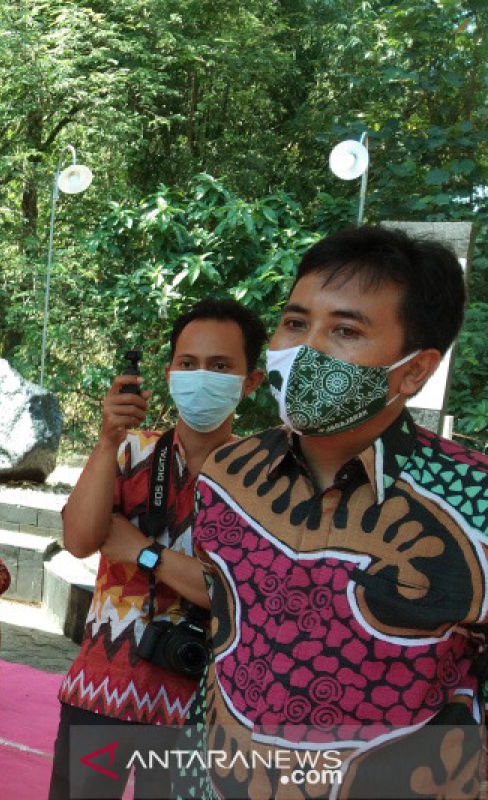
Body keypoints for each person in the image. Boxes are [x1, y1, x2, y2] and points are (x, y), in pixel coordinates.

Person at [191, 226, 485, 798]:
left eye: (345, 330)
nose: (306, 350)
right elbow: (221, 652)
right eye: (296, 323)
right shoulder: (225, 476)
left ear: (415, 370)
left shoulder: (473, 502)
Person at [49, 299, 265, 799]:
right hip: (102, 685)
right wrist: (106, 440)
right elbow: (79, 539)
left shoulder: (261, 478)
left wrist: (143, 552)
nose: (200, 377)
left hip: (198, 703)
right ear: (169, 372)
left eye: (220, 366)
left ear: (249, 382)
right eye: (188, 364)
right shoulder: (129, 451)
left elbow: (237, 592)